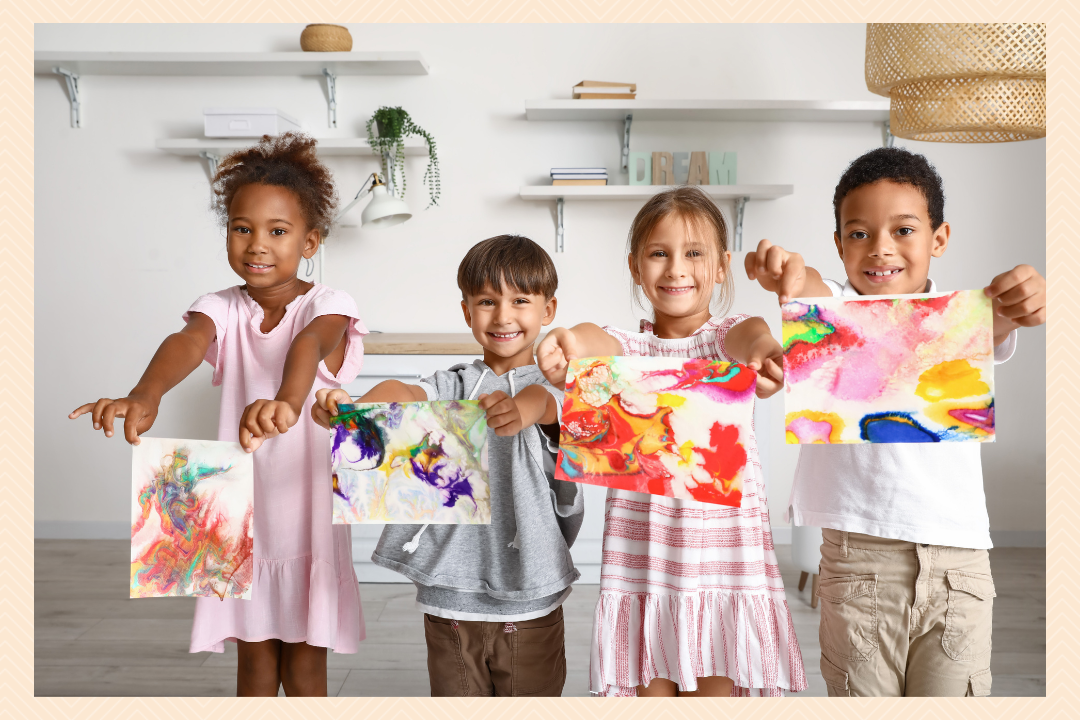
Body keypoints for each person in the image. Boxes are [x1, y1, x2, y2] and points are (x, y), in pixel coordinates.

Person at [69, 133, 367, 696]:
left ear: (310, 241)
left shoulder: (329, 304)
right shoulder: (223, 306)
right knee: (252, 660)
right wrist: (145, 394)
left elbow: (307, 346)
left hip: (308, 504)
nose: (258, 244)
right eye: (241, 227)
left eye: (278, 231)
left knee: (304, 661)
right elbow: (186, 340)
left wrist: (288, 401)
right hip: (239, 506)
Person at [745, 146, 1046, 697]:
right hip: (860, 558)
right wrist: (787, 268)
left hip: (959, 563)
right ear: (838, 244)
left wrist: (1027, 291)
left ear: (939, 238)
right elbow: (807, 281)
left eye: (903, 229)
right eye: (858, 234)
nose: (880, 248)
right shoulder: (831, 310)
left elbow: (1010, 311)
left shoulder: (964, 317)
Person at [536, 186, 807, 697]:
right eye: (659, 253)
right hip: (645, 561)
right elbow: (596, 339)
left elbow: (752, 335)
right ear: (636, 266)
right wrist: (570, 342)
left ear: (722, 266)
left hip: (723, 561)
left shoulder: (728, 334)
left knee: (717, 690)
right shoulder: (629, 347)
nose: (676, 268)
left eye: (694, 253)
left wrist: (767, 352)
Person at [313, 234, 583, 697]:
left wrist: (526, 407)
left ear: (548, 311)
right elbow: (405, 393)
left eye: (520, 300)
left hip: (530, 593)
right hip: (449, 594)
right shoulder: (454, 384)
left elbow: (549, 404)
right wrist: (353, 411)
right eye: (486, 301)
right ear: (466, 312)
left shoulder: (560, 384)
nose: (502, 315)